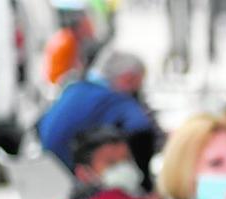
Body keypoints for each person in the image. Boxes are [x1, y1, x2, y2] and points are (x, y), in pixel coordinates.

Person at [37, 51, 159, 179]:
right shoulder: (115, 98)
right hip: (73, 174)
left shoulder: (75, 88)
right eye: (140, 82)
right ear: (128, 78)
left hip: (48, 170)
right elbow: (141, 129)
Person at [70, 126, 159, 199]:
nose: (124, 167)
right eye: (111, 163)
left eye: (127, 158)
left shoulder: (134, 196)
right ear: (83, 174)